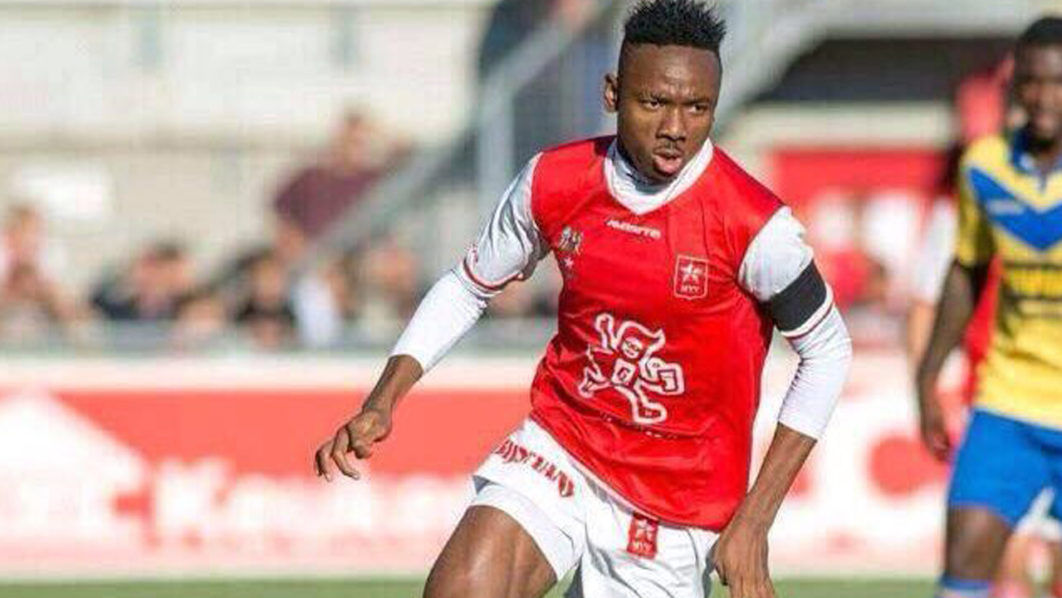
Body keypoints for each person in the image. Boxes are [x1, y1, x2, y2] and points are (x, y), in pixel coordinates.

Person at [315, 2, 852, 597]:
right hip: (563, 446)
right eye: (655, 103)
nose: (677, 127)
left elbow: (828, 351)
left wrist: (754, 520)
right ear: (612, 93)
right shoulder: (556, 180)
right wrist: (384, 399)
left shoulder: (755, 226)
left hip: (676, 503)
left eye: (697, 107)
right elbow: (468, 285)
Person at [916, 18, 1062, 598]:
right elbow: (967, 271)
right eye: (1032, 82)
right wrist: (928, 375)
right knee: (964, 564)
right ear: (1014, 86)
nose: (1043, 97)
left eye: (1058, 83)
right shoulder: (984, 166)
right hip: (1008, 403)